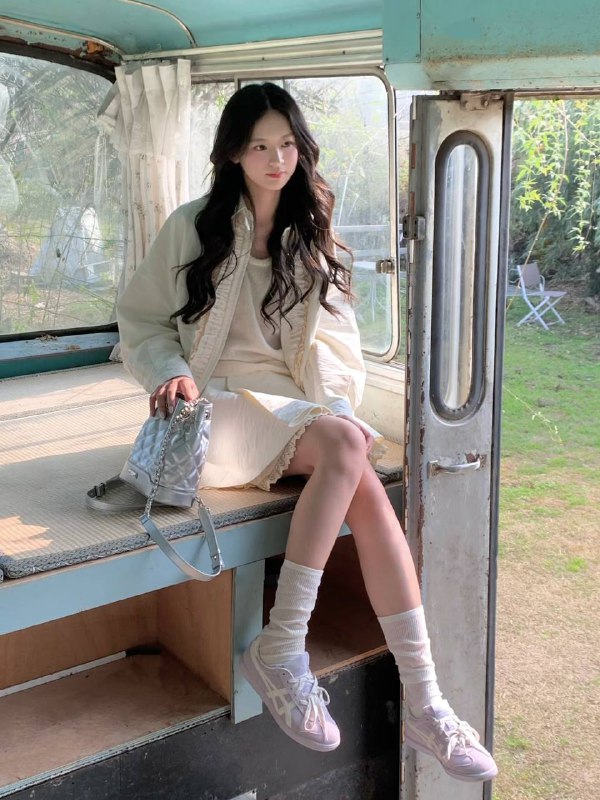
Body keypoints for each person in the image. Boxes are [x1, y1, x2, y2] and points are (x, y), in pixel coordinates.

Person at [117, 82, 498, 783]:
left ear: (301, 148)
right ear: (234, 153)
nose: (276, 159)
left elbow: (336, 346)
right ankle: (287, 647)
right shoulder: (192, 225)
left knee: (359, 472)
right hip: (216, 411)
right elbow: (141, 319)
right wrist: (169, 373)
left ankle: (423, 698)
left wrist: (338, 407)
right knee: (349, 450)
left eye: (287, 144)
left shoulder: (311, 233)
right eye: (260, 146)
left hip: (294, 414)